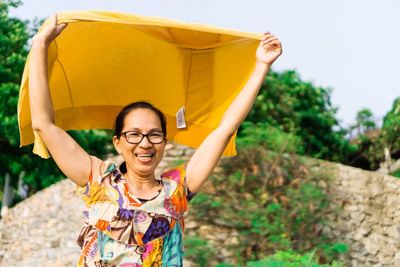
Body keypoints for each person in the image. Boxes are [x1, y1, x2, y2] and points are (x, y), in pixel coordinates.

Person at [29, 14, 282, 267]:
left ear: (164, 141)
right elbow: (44, 124)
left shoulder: (176, 191)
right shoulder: (98, 180)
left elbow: (225, 129)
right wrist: (40, 45)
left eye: (154, 134)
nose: (145, 143)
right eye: (134, 134)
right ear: (118, 142)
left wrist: (261, 65)